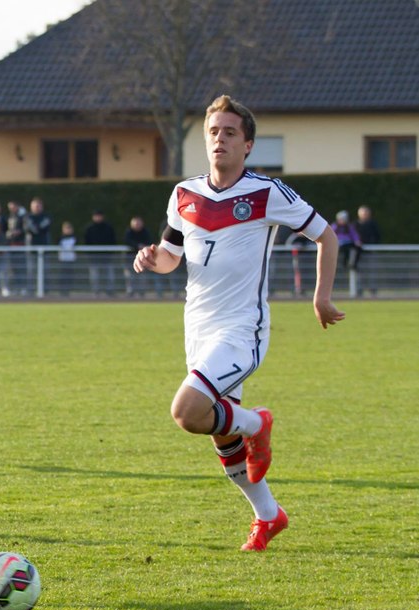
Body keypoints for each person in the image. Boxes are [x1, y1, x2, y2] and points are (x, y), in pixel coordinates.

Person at [133, 95, 344, 552]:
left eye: (230, 133)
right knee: (222, 439)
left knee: (186, 412)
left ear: (248, 145)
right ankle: (269, 516)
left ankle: (258, 422)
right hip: (197, 330)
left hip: (241, 329)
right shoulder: (183, 194)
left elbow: (326, 234)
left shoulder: (267, 193)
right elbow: (172, 256)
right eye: (213, 132)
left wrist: (321, 295)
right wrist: (154, 258)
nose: (220, 140)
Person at [83, 210, 117, 297]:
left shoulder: (108, 228)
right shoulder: (89, 228)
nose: (98, 218)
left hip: (107, 258)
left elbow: (113, 241)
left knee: (109, 276)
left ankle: (110, 292)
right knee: (95, 277)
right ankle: (96, 292)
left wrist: (110, 254)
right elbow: (86, 243)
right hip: (93, 258)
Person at [332, 210, 361, 298]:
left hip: (348, 244)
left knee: (357, 248)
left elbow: (354, 235)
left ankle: (353, 262)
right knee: (345, 250)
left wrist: (357, 241)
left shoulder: (349, 227)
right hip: (339, 245)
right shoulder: (334, 227)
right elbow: (330, 236)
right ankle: (345, 263)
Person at [122, 216, 152, 297]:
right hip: (129, 259)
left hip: (143, 259)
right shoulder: (128, 232)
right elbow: (127, 241)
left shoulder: (145, 232)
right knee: (130, 276)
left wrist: (143, 246)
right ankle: (130, 292)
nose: (137, 225)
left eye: (139, 223)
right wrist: (137, 246)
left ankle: (142, 292)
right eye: (135, 223)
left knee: (142, 276)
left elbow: (149, 242)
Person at [355, 205, 380, 296]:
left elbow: (377, 236)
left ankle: (372, 289)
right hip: (359, 253)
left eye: (366, 213)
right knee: (359, 272)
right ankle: (359, 289)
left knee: (372, 271)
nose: (365, 215)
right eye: (363, 213)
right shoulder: (356, 225)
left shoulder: (373, 224)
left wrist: (372, 244)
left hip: (370, 252)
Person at [57, 221, 78, 296]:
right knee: (62, 276)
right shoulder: (60, 238)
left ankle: (68, 290)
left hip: (71, 259)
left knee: (70, 276)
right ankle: (62, 291)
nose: (68, 230)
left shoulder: (74, 238)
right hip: (63, 259)